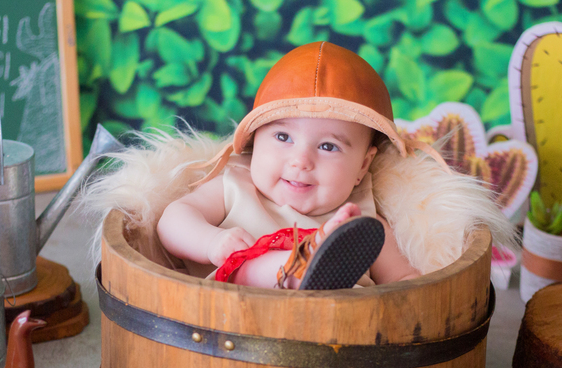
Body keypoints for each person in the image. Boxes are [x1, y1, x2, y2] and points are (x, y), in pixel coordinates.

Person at [156, 42, 429, 290]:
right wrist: (211, 242)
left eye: (328, 146)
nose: (301, 161)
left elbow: (405, 282)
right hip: (239, 308)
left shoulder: (362, 225)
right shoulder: (235, 187)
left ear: (362, 166)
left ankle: (317, 266)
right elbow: (173, 219)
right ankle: (299, 268)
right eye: (283, 137)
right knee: (248, 268)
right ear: (255, 140)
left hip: (340, 329)